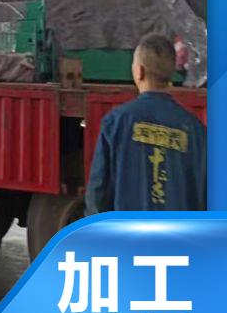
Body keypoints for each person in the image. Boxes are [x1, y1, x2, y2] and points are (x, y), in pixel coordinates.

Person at [85, 33, 206, 214]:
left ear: (139, 71)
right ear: (170, 73)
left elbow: (98, 193)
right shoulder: (195, 130)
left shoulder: (115, 122)